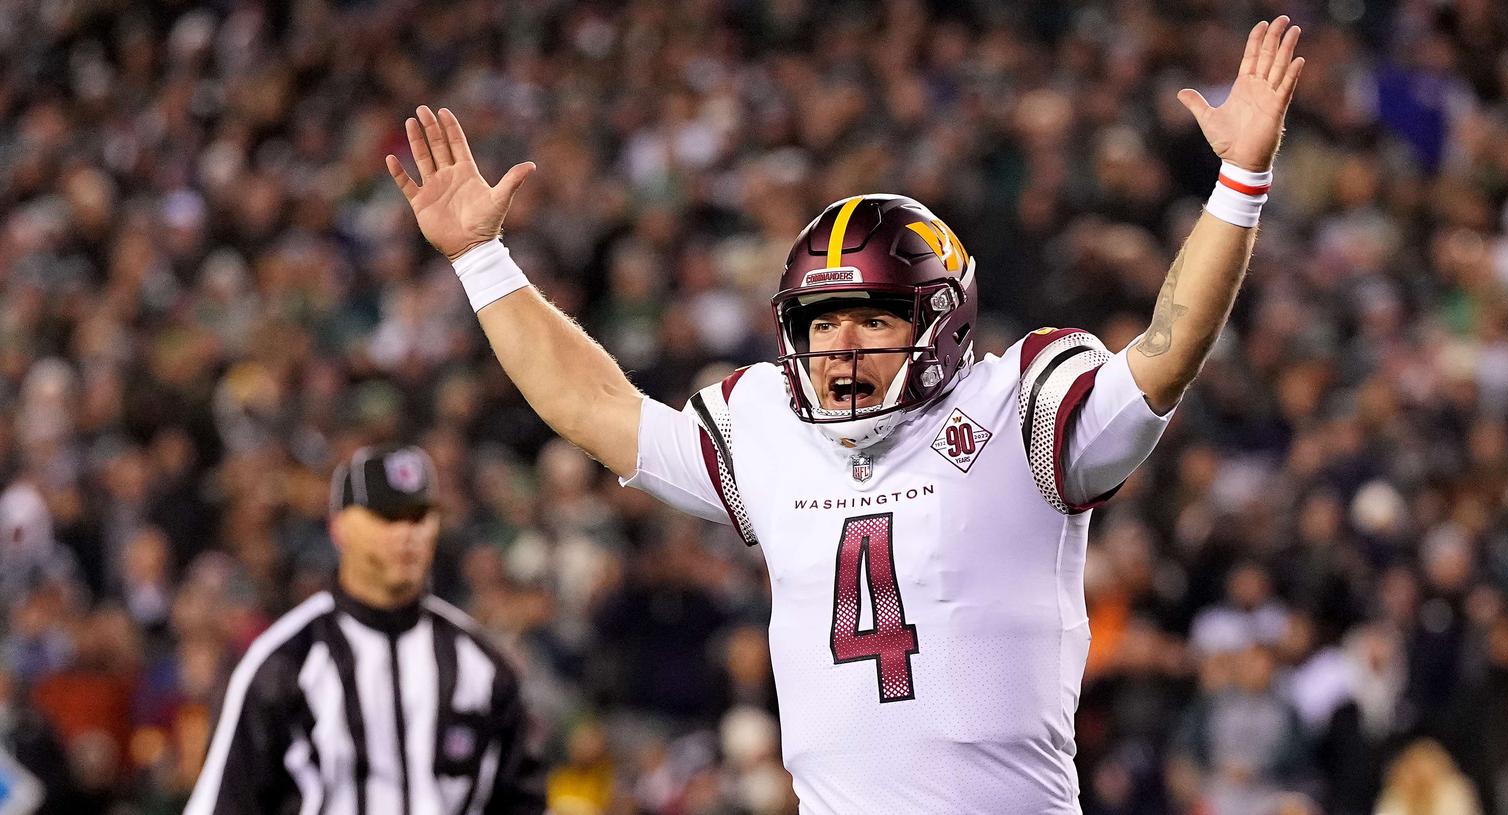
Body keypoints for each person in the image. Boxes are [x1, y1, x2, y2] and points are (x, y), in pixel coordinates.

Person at [386, 16, 1304, 812]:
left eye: (874, 315)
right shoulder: (765, 428)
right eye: (823, 322)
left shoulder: (1020, 403)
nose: (842, 346)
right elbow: (595, 407)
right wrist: (482, 261)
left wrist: (1240, 183)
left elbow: (1166, 350)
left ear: (943, 321)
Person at [183, 446, 544, 814]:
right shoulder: (285, 661)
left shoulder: (480, 664)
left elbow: (523, 801)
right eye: (387, 517)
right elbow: (226, 803)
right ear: (339, 527)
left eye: (419, 516)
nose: (407, 533)